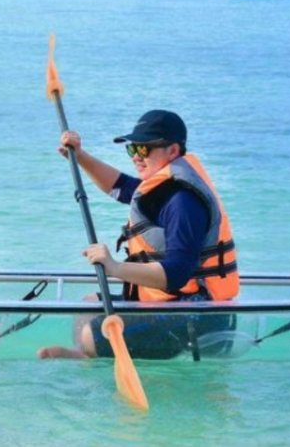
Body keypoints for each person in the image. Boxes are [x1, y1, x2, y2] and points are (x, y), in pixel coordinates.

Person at [38, 109, 239, 360]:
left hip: (197, 313)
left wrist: (114, 267)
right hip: (169, 301)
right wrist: (79, 156)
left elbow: (176, 274)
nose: (136, 157)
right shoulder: (163, 188)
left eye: (144, 150)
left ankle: (88, 356)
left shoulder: (182, 202)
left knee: (92, 333)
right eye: (132, 149)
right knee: (88, 305)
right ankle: (88, 358)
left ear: (173, 151)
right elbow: (120, 187)